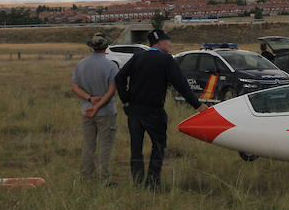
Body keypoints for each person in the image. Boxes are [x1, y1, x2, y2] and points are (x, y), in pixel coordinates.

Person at [115, 29, 202, 189]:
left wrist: (126, 100)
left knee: (136, 148)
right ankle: (153, 182)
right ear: (159, 42)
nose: (170, 44)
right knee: (158, 146)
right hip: (154, 112)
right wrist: (198, 105)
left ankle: (138, 183)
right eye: (167, 41)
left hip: (134, 111)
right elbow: (181, 85)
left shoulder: (138, 57)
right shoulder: (166, 60)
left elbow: (119, 78)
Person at [71, 32, 119, 185]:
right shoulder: (111, 66)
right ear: (106, 47)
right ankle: (105, 178)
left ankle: (86, 177)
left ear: (91, 47)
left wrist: (90, 100)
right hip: (106, 113)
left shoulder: (81, 64)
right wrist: (98, 105)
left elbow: (75, 87)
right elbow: (112, 91)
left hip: (87, 111)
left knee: (88, 144)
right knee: (105, 145)